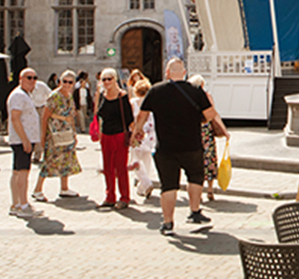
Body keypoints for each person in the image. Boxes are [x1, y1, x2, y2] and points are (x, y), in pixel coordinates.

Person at [133, 58, 229, 236]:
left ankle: (168, 223)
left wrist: (138, 132)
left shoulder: (156, 90)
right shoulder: (195, 91)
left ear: (167, 73)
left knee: (168, 186)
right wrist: (199, 120)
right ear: (184, 73)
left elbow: (142, 116)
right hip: (191, 144)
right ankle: (194, 211)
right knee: (195, 177)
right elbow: (210, 114)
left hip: (165, 147)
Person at [33, 69, 83, 203]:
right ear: (60, 81)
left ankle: (64, 188)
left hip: (66, 133)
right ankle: (37, 189)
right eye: (64, 81)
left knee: (66, 159)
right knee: (49, 161)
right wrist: (42, 137)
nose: (66, 84)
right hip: (54, 134)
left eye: (70, 82)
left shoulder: (69, 96)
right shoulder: (54, 95)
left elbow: (71, 116)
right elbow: (45, 117)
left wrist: (74, 133)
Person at [7, 68, 44, 219]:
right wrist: (25, 139)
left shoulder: (24, 95)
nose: (32, 81)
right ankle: (23, 204)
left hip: (22, 139)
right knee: (22, 172)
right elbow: (15, 118)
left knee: (17, 172)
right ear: (21, 78)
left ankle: (16, 204)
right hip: (22, 139)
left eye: (35, 78)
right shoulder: (18, 95)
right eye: (29, 77)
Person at [95, 67, 134, 209]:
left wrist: (135, 134)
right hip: (105, 135)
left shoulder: (122, 96)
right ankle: (110, 196)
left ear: (115, 79)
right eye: (104, 79)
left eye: (109, 78)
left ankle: (124, 197)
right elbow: (99, 114)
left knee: (120, 168)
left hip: (119, 135)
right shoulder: (101, 95)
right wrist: (98, 132)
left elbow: (129, 118)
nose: (106, 82)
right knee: (107, 168)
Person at [188, 74, 219, 201]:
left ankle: (198, 193)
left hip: (193, 130)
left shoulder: (188, 97)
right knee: (209, 159)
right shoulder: (206, 96)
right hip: (206, 130)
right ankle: (210, 190)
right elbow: (213, 114)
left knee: (196, 162)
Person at [129, 77, 157, 200]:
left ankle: (146, 183)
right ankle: (142, 188)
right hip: (150, 135)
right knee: (146, 160)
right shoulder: (152, 102)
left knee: (135, 160)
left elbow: (131, 120)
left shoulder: (133, 102)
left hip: (138, 134)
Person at [29, 74, 52, 162]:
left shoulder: (41, 85)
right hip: (31, 109)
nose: (32, 80)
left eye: (34, 78)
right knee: (33, 131)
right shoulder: (26, 88)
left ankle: (39, 155)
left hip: (42, 108)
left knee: (42, 131)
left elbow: (50, 94)